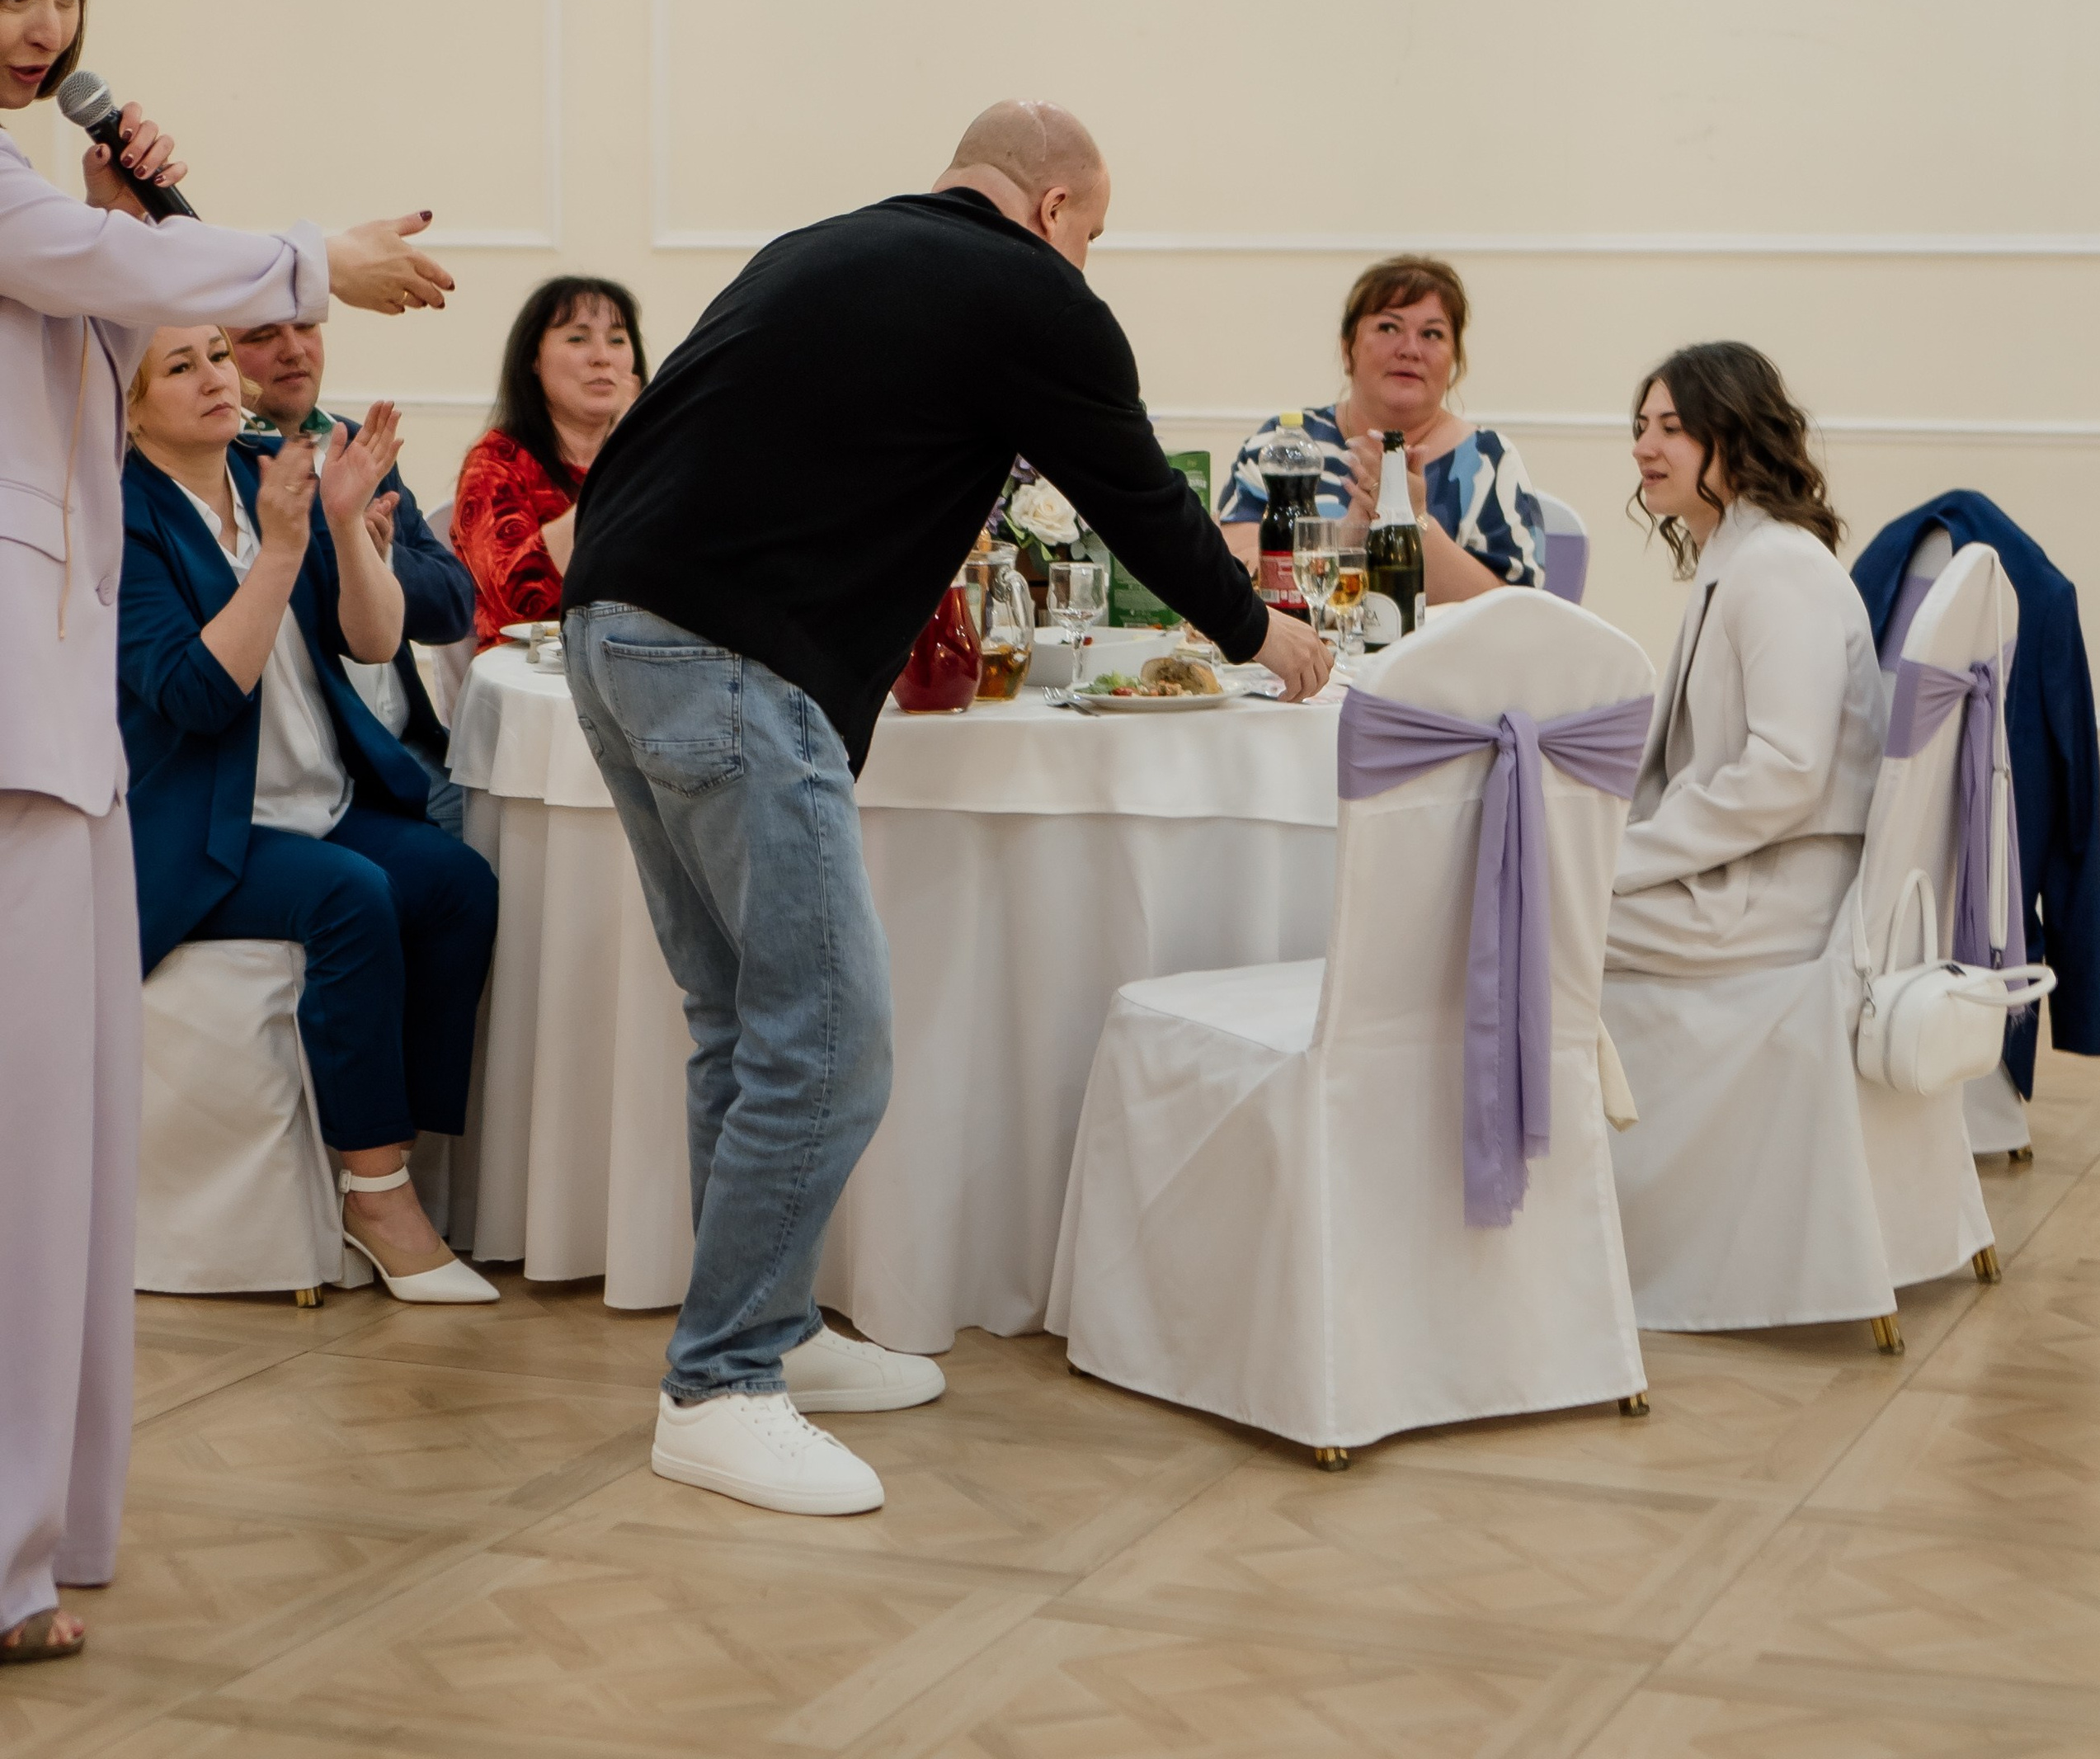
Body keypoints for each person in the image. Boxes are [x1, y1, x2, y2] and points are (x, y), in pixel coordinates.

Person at [563, 100, 1328, 1521]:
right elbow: (1142, 502)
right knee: (830, 1035)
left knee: (743, 1018)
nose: (1088, 264)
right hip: (733, 657)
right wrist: (1258, 631)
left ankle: (771, 1325)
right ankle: (722, 1383)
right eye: (1092, 234)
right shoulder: (1034, 295)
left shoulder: (824, 248)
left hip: (610, 631)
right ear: (1050, 211)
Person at [0, 0, 450, 1672]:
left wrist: (132, 227)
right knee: (26, 1146)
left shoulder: (44, 199)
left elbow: (89, 336)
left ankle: (39, 1528)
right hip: (18, 718)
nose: (48, 27)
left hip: (58, 733)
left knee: (67, 1141)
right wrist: (299, 257)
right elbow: (95, 276)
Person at [120, 325, 499, 1304]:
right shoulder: (124, 516)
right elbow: (198, 695)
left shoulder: (263, 470)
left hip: (317, 800)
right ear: (129, 401)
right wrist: (284, 549)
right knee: (352, 899)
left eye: (215, 354)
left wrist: (338, 530)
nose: (217, 377)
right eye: (183, 366)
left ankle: (393, 1152)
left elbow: (372, 643)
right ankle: (377, 1194)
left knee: (456, 887)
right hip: (195, 832)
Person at [1608, 341, 1885, 975]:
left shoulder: (1777, 564)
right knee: (1527, 903)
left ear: (1735, 438)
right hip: (1748, 869)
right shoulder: (1740, 559)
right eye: (1642, 427)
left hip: (1781, 891)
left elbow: (1788, 769)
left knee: (1527, 918)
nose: (1643, 447)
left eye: (1671, 429)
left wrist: (1627, 858)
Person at [230, 315, 475, 832]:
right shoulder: (224, 467)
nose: (294, 350)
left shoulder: (357, 443)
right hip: (321, 776)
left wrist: (375, 556)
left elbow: (453, 606)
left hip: (409, 747)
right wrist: (339, 533)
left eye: (306, 327)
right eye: (261, 334)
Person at [1217, 255, 1545, 602]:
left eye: (1432, 334)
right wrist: (1349, 536)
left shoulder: (1488, 460)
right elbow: (1234, 574)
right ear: (1348, 351)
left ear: (1454, 362)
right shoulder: (1284, 449)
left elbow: (1515, 610)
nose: (1410, 350)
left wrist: (1411, 517)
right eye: (1389, 328)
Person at [452, 277, 646, 648]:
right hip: (532, 678)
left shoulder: (660, 459)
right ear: (534, 359)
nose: (602, 356)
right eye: (578, 338)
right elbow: (518, 602)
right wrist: (620, 460)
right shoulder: (496, 461)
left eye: (618, 339)